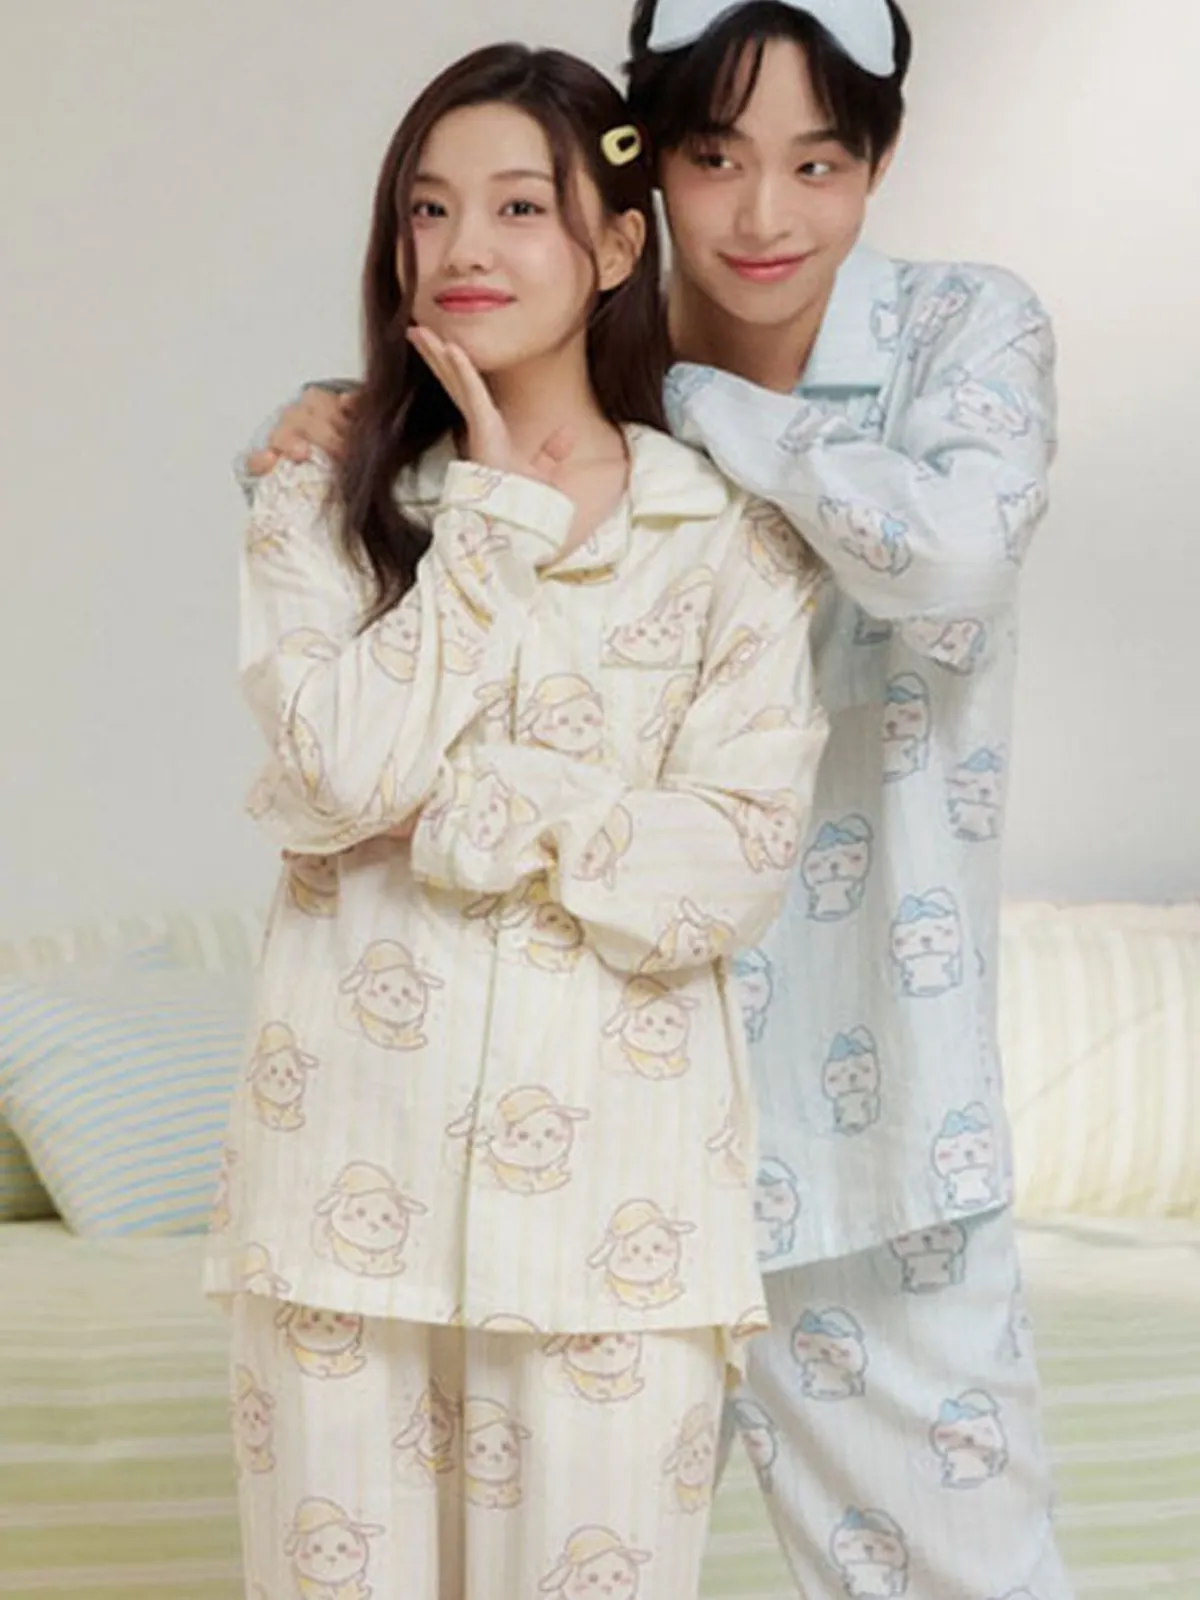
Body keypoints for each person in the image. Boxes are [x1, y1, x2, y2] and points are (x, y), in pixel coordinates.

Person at [245, 3, 1071, 1595]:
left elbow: (958, 556)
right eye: (712, 158)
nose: (763, 214)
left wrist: (687, 406)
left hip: (863, 1099)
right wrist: (347, 423)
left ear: (879, 159)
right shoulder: (547, 348)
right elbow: (351, 676)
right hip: (573, 1120)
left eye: (818, 163)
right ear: (644, 180)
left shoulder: (950, 332)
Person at [208, 39, 828, 1600]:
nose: (462, 247)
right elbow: (340, 773)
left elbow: (731, 865)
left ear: (616, 246)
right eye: (428, 209)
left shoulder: (727, 542)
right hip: (339, 1206)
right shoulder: (316, 501)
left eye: (517, 207)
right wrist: (482, 520)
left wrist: (489, 811)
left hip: (622, 1232)